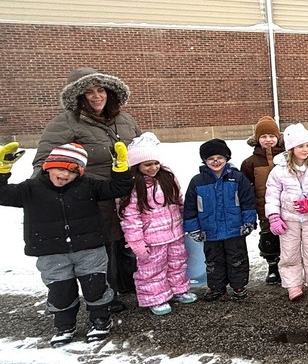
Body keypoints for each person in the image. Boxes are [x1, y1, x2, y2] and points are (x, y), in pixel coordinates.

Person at [0, 141, 131, 346]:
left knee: (95, 287)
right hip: (51, 251)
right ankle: (64, 326)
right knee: (60, 291)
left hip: (89, 248)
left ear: (80, 173)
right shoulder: (31, 189)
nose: (64, 175)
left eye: (72, 171)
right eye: (60, 168)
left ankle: (101, 321)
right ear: (48, 167)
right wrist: (3, 170)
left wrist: (120, 167)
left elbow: (120, 187)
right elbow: (2, 194)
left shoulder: (88, 186)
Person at [34, 67, 142, 299]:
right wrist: (41, 191)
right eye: (89, 91)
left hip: (127, 192)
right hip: (93, 195)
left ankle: (132, 284)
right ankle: (106, 294)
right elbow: (45, 160)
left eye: (100, 90)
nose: (96, 96)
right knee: (103, 245)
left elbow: (143, 150)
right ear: (78, 96)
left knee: (130, 238)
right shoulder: (65, 122)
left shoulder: (125, 119)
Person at [118, 133, 196, 315]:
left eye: (156, 163)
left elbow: (179, 200)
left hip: (174, 232)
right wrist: (136, 242)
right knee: (152, 269)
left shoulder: (167, 177)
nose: (153, 167)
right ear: (137, 165)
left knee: (177, 263)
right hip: (151, 238)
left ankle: (178, 289)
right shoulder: (133, 186)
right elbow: (130, 217)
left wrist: (187, 220)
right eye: (147, 164)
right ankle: (156, 297)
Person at [183, 139, 258, 301]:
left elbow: (248, 201)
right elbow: (190, 207)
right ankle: (216, 287)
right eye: (211, 159)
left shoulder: (237, 178)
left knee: (237, 258)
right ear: (204, 160)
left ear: (227, 158)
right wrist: (193, 228)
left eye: (219, 158)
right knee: (213, 260)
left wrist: (249, 221)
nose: (216, 161)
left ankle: (239, 285)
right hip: (209, 230)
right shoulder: (197, 181)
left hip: (234, 229)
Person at [266, 124, 308, 301]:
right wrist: (274, 216)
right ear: (291, 148)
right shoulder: (279, 170)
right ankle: (293, 284)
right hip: (289, 219)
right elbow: (271, 194)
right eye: (301, 146)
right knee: (289, 253)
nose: (305, 149)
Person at [240, 116, 286, 285]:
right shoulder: (250, 163)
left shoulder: (288, 157)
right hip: (264, 208)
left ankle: (289, 267)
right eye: (264, 136)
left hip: (287, 206)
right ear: (257, 139)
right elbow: (245, 189)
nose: (268, 140)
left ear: (278, 137)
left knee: (289, 238)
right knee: (269, 238)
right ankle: (273, 266)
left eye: (272, 136)